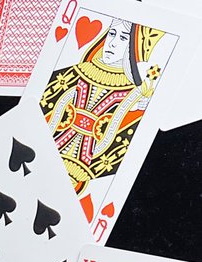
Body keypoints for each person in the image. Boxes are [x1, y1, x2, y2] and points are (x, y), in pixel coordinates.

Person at [40, 18, 164, 197]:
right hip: (48, 153)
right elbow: (46, 103)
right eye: (112, 34)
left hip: (85, 168)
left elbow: (124, 141)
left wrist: (139, 104)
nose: (112, 43)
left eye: (123, 38)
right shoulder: (77, 71)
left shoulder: (135, 92)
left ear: (133, 46)